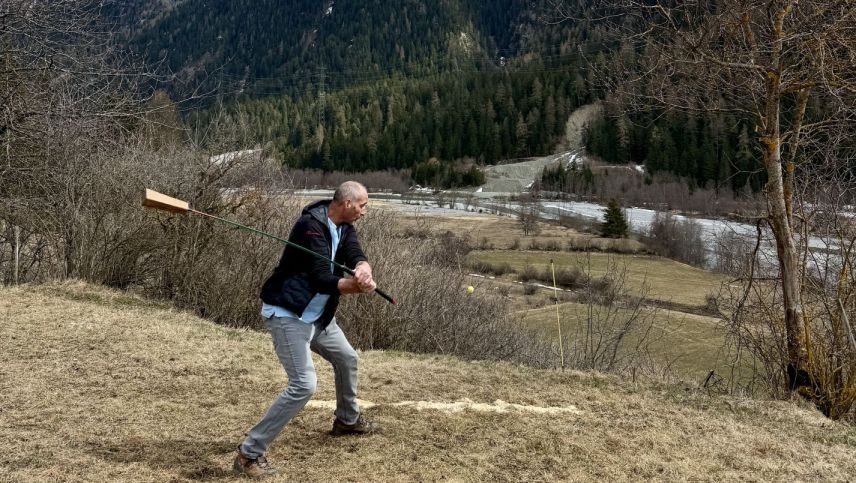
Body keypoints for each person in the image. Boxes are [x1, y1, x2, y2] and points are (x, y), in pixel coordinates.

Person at [234, 181, 378, 478]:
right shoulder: (309, 227)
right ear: (348, 203)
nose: (364, 212)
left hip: (318, 317)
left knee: (347, 358)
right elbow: (320, 277)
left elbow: (354, 251)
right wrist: (354, 286)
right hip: (289, 314)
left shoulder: (345, 225)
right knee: (303, 385)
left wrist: (363, 269)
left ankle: (347, 421)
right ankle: (249, 454)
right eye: (362, 206)